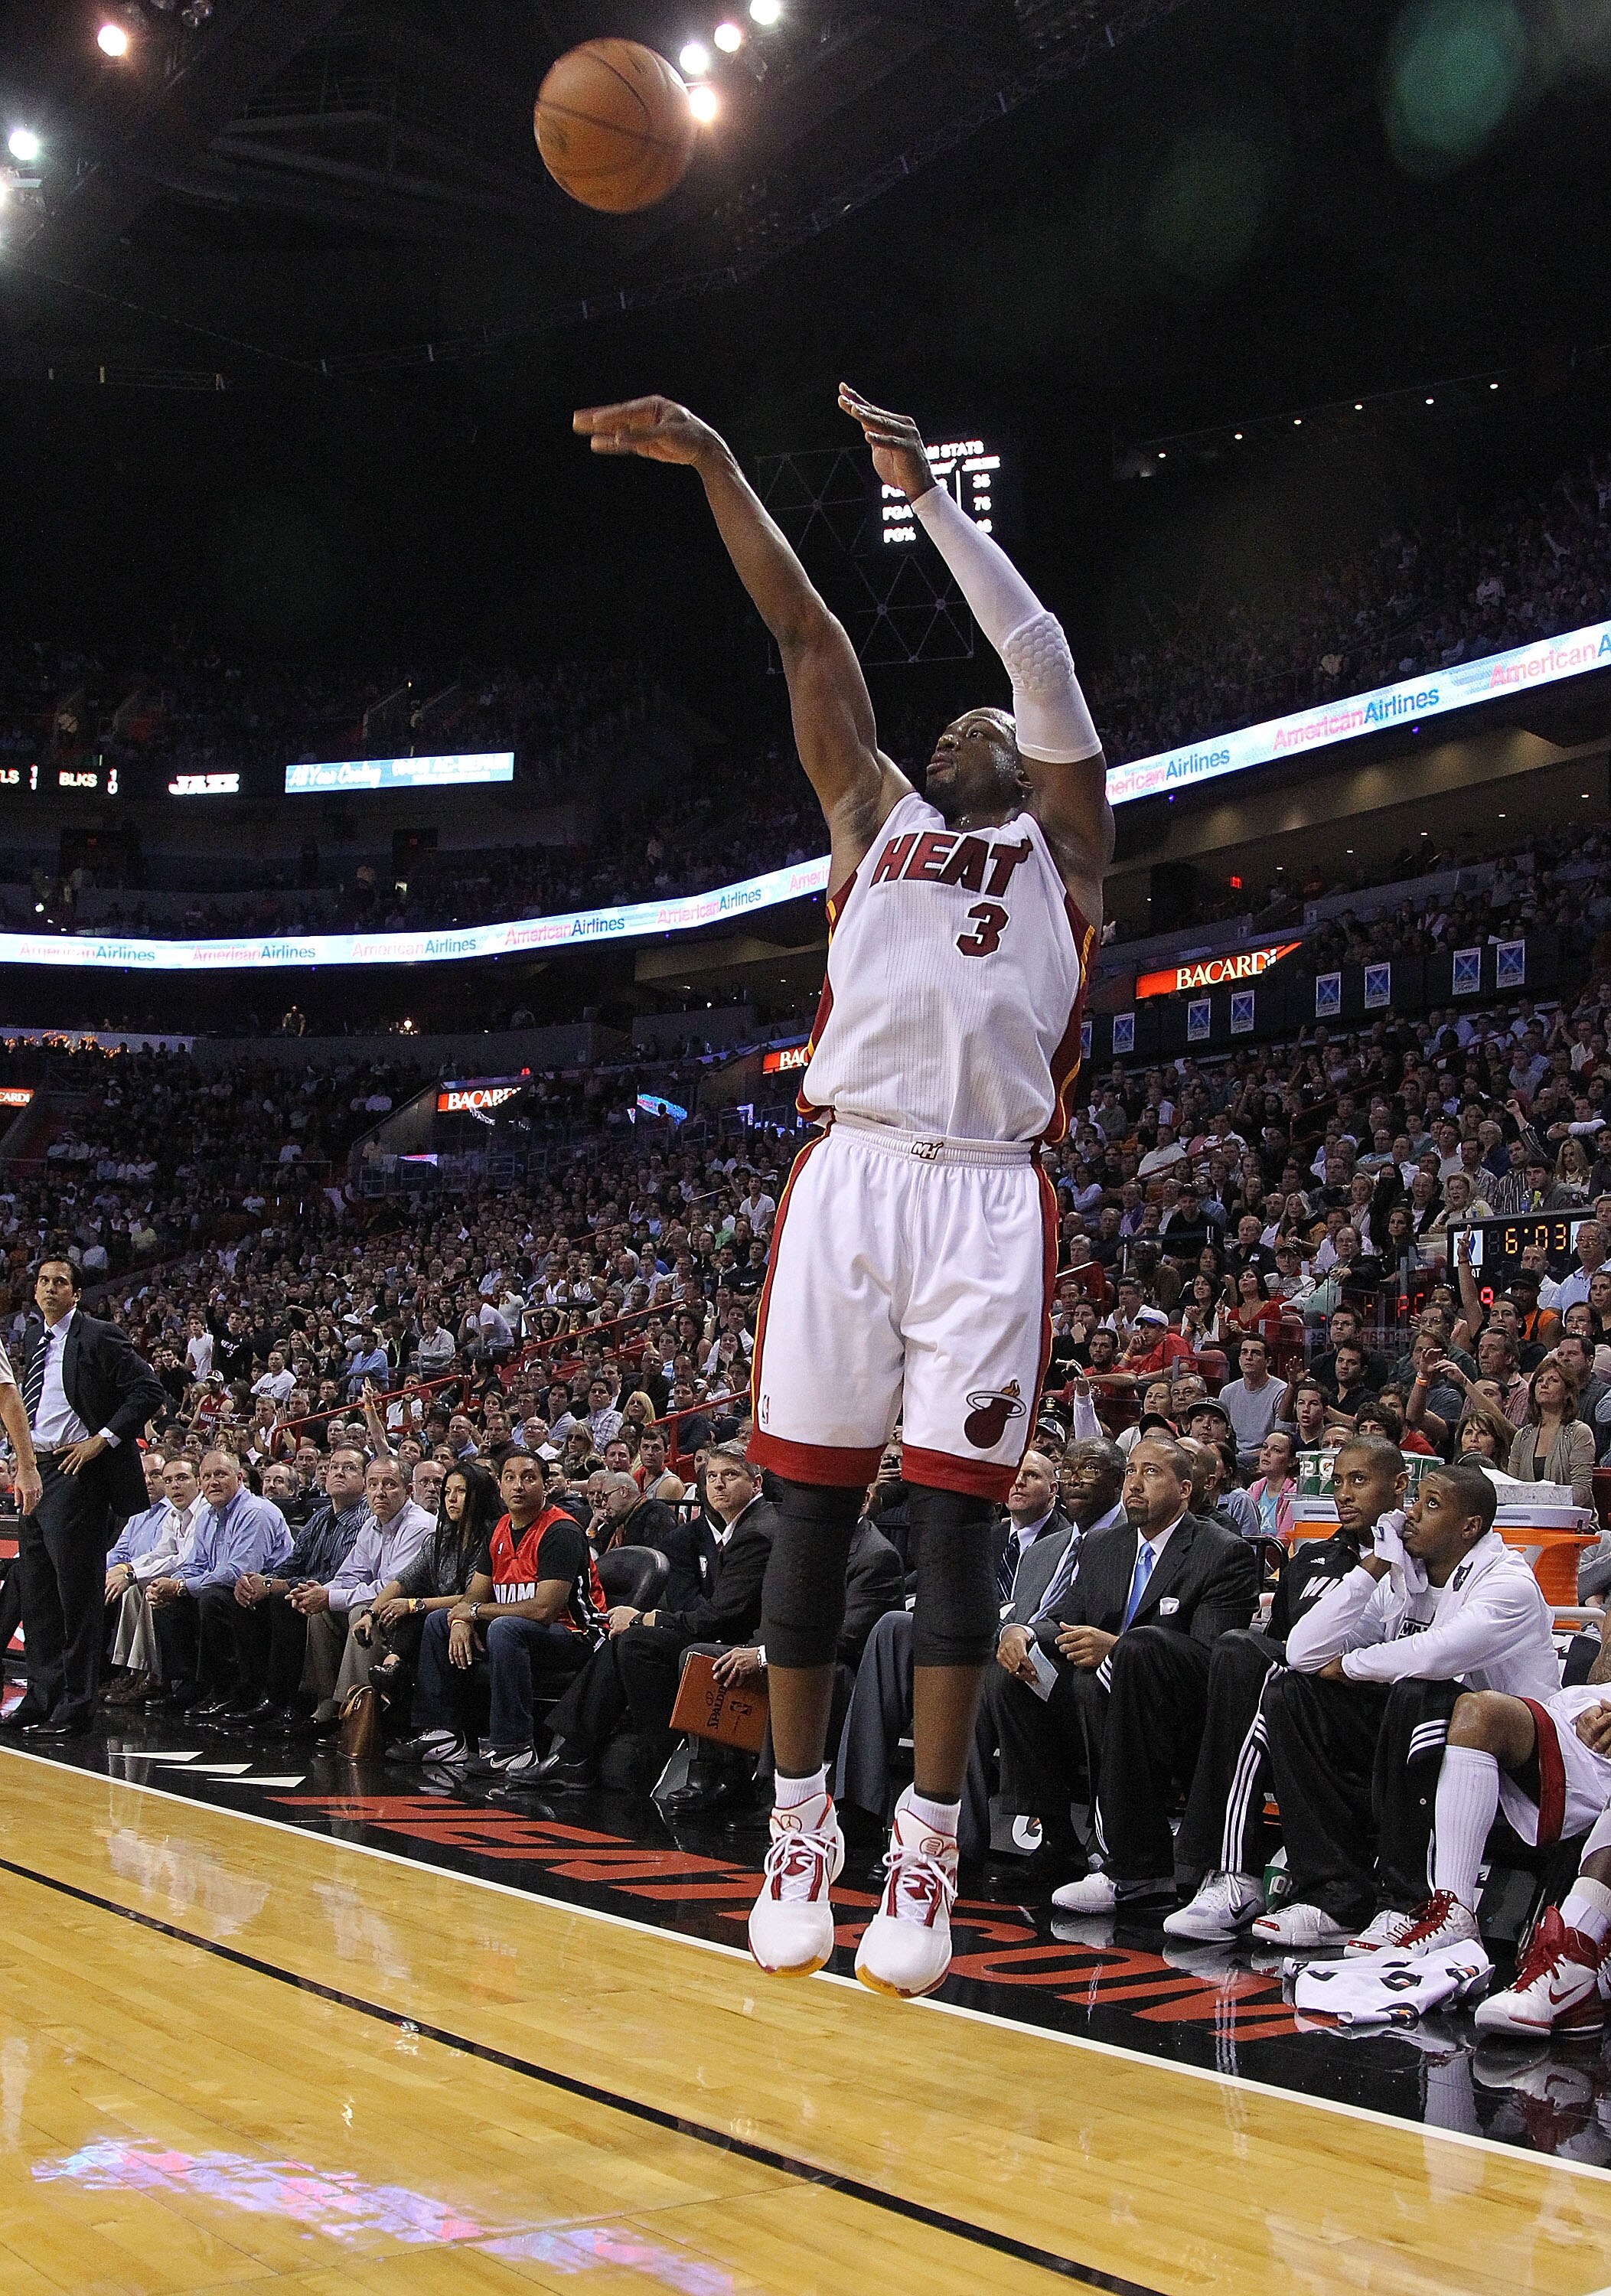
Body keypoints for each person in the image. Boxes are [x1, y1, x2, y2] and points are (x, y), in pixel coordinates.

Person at [574, 380, 1113, 2000]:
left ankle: (925, 1854)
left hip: (983, 1196)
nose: (969, 720)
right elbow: (806, 631)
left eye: (993, 727)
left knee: (951, 1533)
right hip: (849, 1176)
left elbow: (1041, 660)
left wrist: (933, 504)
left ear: (1021, 765)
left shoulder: (1067, 855)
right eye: (945, 721)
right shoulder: (870, 815)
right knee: (808, 1511)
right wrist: (724, 465)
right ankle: (797, 1828)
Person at [1251, 1458, 1558, 1949]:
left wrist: (1350, 1666)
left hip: (1509, 1758)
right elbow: (1304, 1651)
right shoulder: (1401, 1573)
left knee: (1419, 1691)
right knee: (1293, 1692)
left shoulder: (1509, 1584)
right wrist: (1372, 1564)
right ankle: (1334, 1896)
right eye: (1416, 1500)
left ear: (1469, 1527)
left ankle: (1406, 1902)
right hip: (1412, 1737)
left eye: (1431, 1506)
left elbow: (1434, 1655)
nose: (1411, 1513)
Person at [984, 1437, 1260, 1910]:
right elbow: (1067, 1614)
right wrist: (1022, 1632)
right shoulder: (1104, 1545)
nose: (1134, 1483)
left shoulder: (1222, 1552)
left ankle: (1133, 1864)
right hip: (1100, 1696)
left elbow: (1215, 1660)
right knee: (1014, 1677)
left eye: (1151, 1473)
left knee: (1126, 1658)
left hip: (1179, 1709)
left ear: (1185, 1490)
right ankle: (1056, 1840)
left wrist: (1121, 1649)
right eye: (1130, 1471)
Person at [838, 1446, 1097, 1860]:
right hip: (971, 1637)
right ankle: (858, 1806)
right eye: (1013, 1473)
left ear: (1055, 1488)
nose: (1018, 1482)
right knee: (892, 1627)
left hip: (1023, 1655)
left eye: (1031, 1475)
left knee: (967, 1671)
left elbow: (1055, 1616)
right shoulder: (988, 1535)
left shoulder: (1073, 1541)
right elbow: (925, 1582)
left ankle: (957, 1836)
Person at [534, 1445, 777, 1791]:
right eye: (711, 1477)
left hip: (749, 1645)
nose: (718, 1485)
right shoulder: (740, 1527)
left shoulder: (756, 1532)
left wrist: (646, 1619)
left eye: (730, 1475)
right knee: (629, 1644)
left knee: (635, 1642)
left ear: (756, 1484)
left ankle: (648, 1747)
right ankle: (580, 1753)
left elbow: (720, 1619)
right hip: (725, 1632)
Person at [5, 1255, 161, 1735]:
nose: (51, 1288)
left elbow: (148, 1388)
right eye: (44, 1281)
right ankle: (42, 1695)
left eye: (61, 1283)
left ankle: (76, 1703)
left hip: (78, 1471)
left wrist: (104, 1438)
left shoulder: (98, 1334)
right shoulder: (33, 1338)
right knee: (37, 1591)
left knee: (75, 1595)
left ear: (76, 1293)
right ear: (35, 1291)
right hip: (37, 1470)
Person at [390, 1450, 607, 1778]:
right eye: (509, 1478)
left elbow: (544, 1609)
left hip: (576, 1635)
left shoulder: (561, 1530)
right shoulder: (499, 1528)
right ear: (500, 1487)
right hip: (522, 1631)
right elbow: (474, 1593)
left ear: (545, 1486)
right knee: (439, 1622)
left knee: (505, 1628)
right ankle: (444, 1735)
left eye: (528, 1477)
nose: (518, 1485)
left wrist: (473, 1611)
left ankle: (515, 1747)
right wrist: (462, 1618)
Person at [227, 1447, 371, 1724]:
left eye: (349, 1468)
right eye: (333, 1467)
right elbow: (294, 1562)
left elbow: (336, 1576)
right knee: (248, 1600)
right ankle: (254, 1694)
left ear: (364, 1480)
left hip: (340, 1596)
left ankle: (290, 1700)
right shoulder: (320, 1517)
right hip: (308, 1588)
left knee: (287, 1603)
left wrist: (274, 1585)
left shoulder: (364, 1519)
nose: (338, 1472)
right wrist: (260, 1582)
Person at [147, 1450, 292, 1710]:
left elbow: (240, 1572)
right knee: (169, 1600)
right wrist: (170, 1584)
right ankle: (188, 1684)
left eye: (221, 1475)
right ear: (201, 1484)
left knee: (211, 1599)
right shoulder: (208, 1516)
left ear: (239, 1478)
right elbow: (196, 1563)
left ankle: (229, 1689)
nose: (213, 1481)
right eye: (207, 1476)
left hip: (265, 1595)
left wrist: (181, 1586)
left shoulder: (255, 1512)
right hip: (229, 1591)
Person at [103, 1454, 202, 1704]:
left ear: (198, 1482)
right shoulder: (174, 1515)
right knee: (135, 1588)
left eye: (182, 1478)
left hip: (198, 1580)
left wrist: (132, 1574)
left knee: (148, 1588)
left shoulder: (204, 1511)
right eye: (169, 1480)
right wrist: (125, 1569)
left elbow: (183, 1560)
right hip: (182, 1576)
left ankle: (154, 1677)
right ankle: (134, 1671)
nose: (175, 1485)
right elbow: (162, 1553)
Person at [1507, 1352, 1596, 1505]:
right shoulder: (1522, 1436)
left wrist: (1538, 1500)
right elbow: (1511, 1487)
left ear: (1567, 1392)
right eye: (1539, 1381)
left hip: (1571, 1519)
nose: (1544, 1385)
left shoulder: (1579, 1432)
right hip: (1527, 1517)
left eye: (1553, 1380)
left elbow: (1581, 1492)